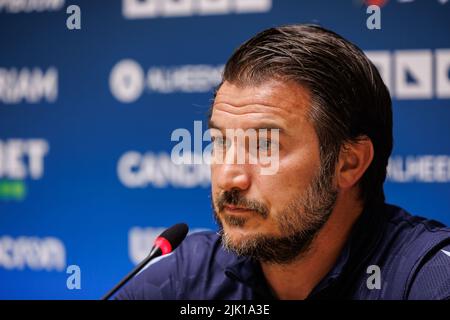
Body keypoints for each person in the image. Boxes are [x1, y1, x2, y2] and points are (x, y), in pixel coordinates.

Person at [116, 24, 450, 300]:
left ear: (349, 163)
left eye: (264, 146)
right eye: (220, 142)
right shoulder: (185, 280)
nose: (230, 178)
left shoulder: (429, 281)